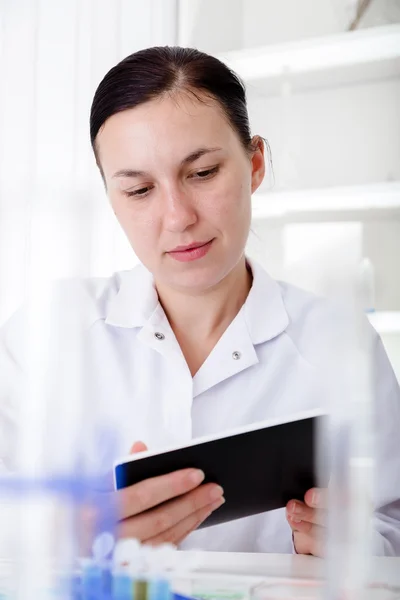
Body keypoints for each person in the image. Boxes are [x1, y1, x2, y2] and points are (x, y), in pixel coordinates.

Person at [1, 46, 400, 556]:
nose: (177, 217)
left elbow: (391, 532)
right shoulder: (47, 333)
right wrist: (67, 533)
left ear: (255, 164)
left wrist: (345, 546)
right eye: (140, 189)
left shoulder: (339, 343)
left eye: (203, 173)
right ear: (111, 199)